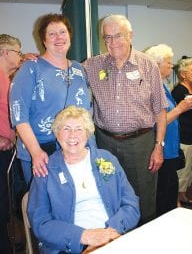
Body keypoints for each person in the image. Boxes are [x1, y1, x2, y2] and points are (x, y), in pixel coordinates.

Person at [84, 14, 168, 225]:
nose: (112, 43)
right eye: (107, 38)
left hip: (141, 144)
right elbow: (66, 70)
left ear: (130, 35)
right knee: (109, 192)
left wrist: (158, 146)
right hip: (105, 142)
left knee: (144, 198)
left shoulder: (148, 65)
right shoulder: (94, 66)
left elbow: (160, 110)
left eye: (118, 36)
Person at [27, 106, 140, 254]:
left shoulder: (106, 159)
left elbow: (131, 204)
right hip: (70, 246)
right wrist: (83, 237)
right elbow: (40, 223)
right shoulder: (46, 169)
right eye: (66, 129)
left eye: (79, 129)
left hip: (113, 236)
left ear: (87, 134)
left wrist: (110, 233)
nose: (72, 135)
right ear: (57, 134)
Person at [10, 13, 93, 187]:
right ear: (44, 40)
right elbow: (19, 115)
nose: (59, 38)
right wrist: (35, 152)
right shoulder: (30, 68)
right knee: (43, 206)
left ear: (70, 36)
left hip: (76, 150)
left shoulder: (79, 69)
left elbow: (87, 111)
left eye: (62, 32)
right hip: (41, 152)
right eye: (52, 34)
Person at [145, 44, 192, 216]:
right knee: (164, 196)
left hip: (169, 149)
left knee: (170, 191)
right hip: (163, 151)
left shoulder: (163, 84)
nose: (171, 65)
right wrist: (181, 107)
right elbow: (158, 121)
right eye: (168, 62)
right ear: (157, 65)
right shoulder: (153, 87)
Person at [0, 34, 22, 253]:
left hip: (7, 151)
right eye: (17, 52)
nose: (20, 56)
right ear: (5, 52)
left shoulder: (7, 78)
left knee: (4, 203)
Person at [172, 57, 192, 206]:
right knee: (181, 171)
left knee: (190, 169)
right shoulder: (179, 91)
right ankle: (176, 200)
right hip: (183, 138)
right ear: (183, 74)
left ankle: (183, 195)